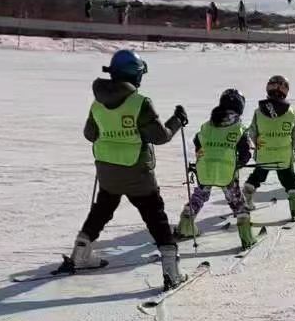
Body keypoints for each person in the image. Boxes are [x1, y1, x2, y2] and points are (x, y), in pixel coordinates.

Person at [70, 50, 188, 289]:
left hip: (107, 171)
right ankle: (171, 270)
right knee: (155, 216)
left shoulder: (98, 102)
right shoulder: (140, 102)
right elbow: (160, 137)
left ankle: (80, 252)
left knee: (102, 209)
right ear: (135, 76)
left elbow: (89, 134)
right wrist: (177, 120)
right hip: (137, 173)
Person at [177, 89, 257, 251]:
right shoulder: (239, 128)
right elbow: (245, 153)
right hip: (227, 171)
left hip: (205, 168)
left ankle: (185, 225)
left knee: (200, 195)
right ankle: (246, 236)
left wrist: (202, 152)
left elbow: (197, 140)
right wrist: (238, 163)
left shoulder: (208, 125)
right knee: (236, 202)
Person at [243, 75, 295, 222]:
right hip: (284, 156)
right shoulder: (292, 113)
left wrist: (258, 143)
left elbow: (252, 131)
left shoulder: (259, 112)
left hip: (264, 154)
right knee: (290, 180)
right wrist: (291, 149)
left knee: (258, 175)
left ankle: (247, 198)